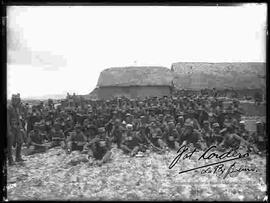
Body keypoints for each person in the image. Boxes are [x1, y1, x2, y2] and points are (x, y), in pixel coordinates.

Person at [7, 94, 26, 165]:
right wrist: (8, 131)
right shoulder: (9, 107)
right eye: (16, 100)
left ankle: (18, 157)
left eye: (18, 100)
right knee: (10, 145)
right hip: (11, 128)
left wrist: (21, 127)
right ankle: (10, 160)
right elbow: (7, 120)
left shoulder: (17, 108)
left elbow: (18, 118)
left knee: (20, 142)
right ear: (13, 100)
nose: (17, 101)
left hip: (17, 128)